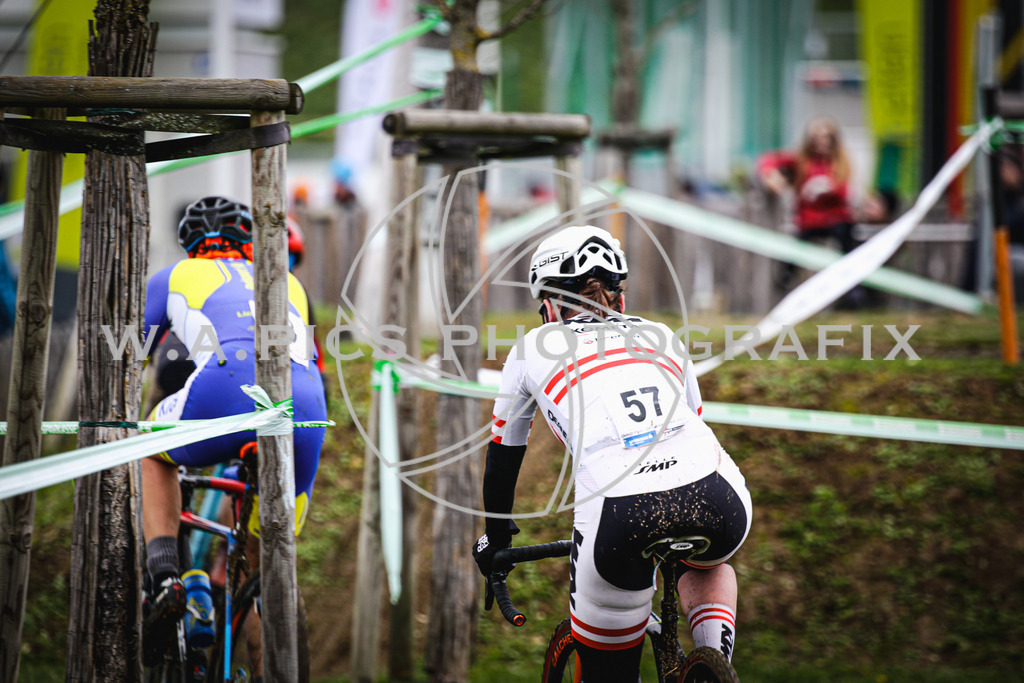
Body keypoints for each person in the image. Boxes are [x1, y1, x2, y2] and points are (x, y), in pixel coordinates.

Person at [472, 226, 752, 682]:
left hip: (622, 511)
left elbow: (503, 457)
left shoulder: (530, 348)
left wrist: (496, 539)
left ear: (550, 305)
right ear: (619, 296)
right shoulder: (662, 334)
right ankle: (712, 665)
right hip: (719, 494)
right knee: (707, 562)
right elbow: (693, 421)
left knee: (608, 671)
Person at [141, 196, 328, 666]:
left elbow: (128, 355)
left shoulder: (173, 275)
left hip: (223, 389)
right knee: (268, 566)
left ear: (190, 246)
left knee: (147, 446)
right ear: (250, 243)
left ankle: (166, 577)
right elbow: (312, 362)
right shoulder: (289, 282)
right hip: (305, 410)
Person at [758, 116, 867, 307]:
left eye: (826, 138)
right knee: (796, 247)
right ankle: (786, 281)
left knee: (847, 239)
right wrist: (772, 176)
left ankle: (853, 288)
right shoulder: (801, 161)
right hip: (810, 221)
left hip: (836, 219)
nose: (821, 143)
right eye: (817, 138)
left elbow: (843, 193)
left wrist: (827, 190)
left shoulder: (841, 162)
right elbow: (767, 160)